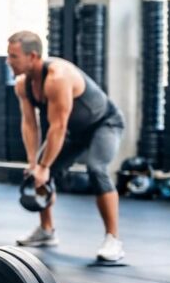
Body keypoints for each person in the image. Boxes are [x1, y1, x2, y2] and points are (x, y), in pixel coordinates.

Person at [7, 31, 125, 262]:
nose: (9, 61)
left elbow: (57, 126)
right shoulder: (22, 85)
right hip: (74, 131)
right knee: (39, 174)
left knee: (96, 168)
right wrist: (34, 164)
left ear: (32, 56)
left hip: (104, 124)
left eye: (13, 56)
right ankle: (46, 231)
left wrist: (44, 165)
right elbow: (30, 125)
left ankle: (113, 239)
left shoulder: (57, 77)